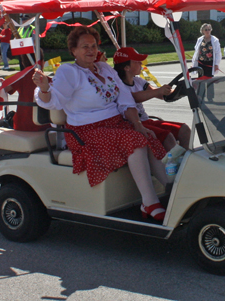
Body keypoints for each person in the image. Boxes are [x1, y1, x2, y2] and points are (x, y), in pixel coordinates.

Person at [33, 26, 168, 221]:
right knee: (135, 142)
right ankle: (149, 201)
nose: (90, 50)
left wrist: (138, 124)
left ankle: (172, 190)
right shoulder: (69, 72)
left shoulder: (104, 69)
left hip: (115, 125)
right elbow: (55, 101)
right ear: (73, 50)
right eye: (84, 46)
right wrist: (44, 88)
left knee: (149, 137)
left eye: (93, 46)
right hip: (86, 131)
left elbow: (125, 99)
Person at [113, 47, 191, 150]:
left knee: (184, 130)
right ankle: (173, 164)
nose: (141, 63)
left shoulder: (139, 81)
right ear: (126, 67)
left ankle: (185, 161)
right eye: (137, 61)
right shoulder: (116, 85)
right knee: (168, 137)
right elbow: (134, 97)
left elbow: (158, 93)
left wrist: (181, 91)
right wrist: (158, 91)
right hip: (131, 125)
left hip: (145, 121)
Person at [0, 53, 50, 132]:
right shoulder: (50, 81)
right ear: (42, 62)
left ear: (23, 62)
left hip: (22, 125)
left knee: (3, 122)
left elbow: (1, 90)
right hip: (46, 126)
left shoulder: (21, 78)